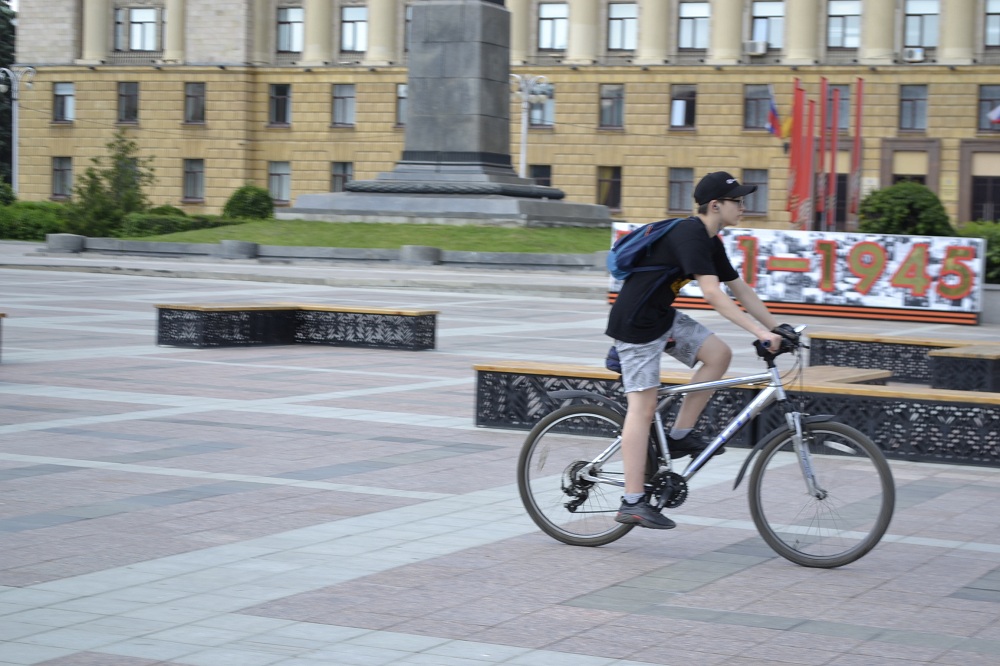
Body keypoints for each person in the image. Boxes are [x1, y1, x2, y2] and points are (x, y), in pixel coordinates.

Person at [605, 171, 784, 529]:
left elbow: (740, 290)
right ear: (715, 205)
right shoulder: (690, 234)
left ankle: (680, 435)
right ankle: (632, 501)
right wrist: (758, 332)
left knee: (718, 355)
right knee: (643, 407)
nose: (745, 207)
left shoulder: (711, 241)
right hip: (636, 325)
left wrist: (778, 327)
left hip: (661, 318)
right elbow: (714, 294)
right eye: (739, 201)